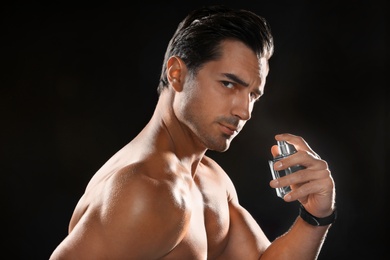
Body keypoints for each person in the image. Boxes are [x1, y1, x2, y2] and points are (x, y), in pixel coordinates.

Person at [50, 5, 336, 259]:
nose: (244, 111)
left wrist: (315, 215)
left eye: (253, 95)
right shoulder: (146, 191)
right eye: (228, 84)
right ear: (177, 74)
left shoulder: (209, 179)